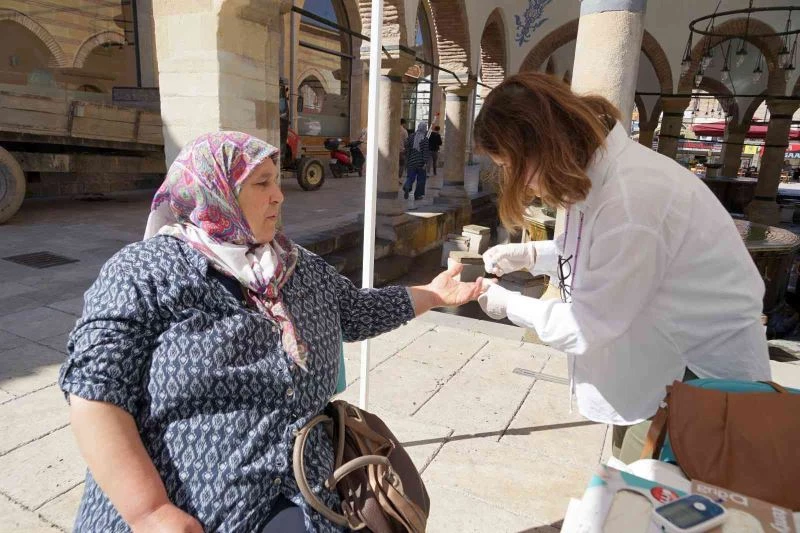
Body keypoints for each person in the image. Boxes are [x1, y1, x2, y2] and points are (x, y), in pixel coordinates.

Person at [59, 131, 487, 532]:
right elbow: (95, 393)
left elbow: (355, 312)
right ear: (215, 191)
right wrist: (149, 511)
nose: (279, 195)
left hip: (305, 492)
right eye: (261, 183)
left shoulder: (296, 265)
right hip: (191, 508)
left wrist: (431, 294)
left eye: (275, 181)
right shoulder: (143, 273)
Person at [473, 73, 771, 464]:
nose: (524, 187)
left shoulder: (632, 198)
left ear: (539, 148)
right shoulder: (605, 176)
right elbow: (599, 254)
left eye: (513, 167)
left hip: (696, 380)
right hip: (655, 366)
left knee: (644, 493)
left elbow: (587, 324)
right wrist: (533, 256)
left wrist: (507, 303)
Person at [403, 122, 430, 201]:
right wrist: (425, 162)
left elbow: (406, 145)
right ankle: (418, 195)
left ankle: (407, 185)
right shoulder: (425, 139)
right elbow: (425, 151)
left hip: (411, 160)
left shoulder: (411, 136)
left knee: (410, 176)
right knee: (421, 179)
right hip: (421, 162)